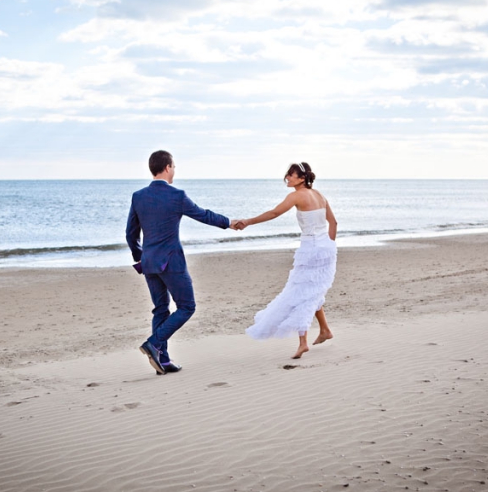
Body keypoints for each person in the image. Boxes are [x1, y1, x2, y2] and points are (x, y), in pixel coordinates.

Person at [126, 150, 238, 375]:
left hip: (149, 262)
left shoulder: (138, 196)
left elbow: (131, 234)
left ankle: (163, 360)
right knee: (187, 306)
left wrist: (140, 256)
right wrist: (229, 223)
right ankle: (154, 343)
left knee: (160, 309)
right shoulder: (177, 195)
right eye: (174, 166)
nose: (174, 170)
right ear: (167, 167)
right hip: (171, 262)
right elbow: (203, 215)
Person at [236, 162, 337, 359]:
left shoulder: (296, 196)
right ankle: (325, 330)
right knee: (312, 291)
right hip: (326, 249)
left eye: (291, 175)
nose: (287, 178)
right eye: (287, 175)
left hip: (310, 250)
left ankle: (303, 343)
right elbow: (333, 222)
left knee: (300, 293)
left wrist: (248, 221)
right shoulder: (319, 195)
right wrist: (329, 246)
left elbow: (274, 213)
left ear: (302, 178)